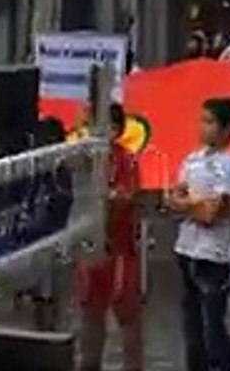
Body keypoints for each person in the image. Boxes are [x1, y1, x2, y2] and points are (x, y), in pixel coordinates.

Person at [165, 97, 230, 371]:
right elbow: (174, 200)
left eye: (210, 122)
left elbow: (212, 213)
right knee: (192, 326)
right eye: (202, 120)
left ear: (227, 129)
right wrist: (190, 205)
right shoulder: (192, 160)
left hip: (214, 254)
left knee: (213, 328)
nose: (203, 127)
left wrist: (189, 205)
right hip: (187, 248)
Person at [77, 103, 143, 371]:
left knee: (126, 313)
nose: (87, 129)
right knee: (90, 313)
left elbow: (126, 197)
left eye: (93, 123)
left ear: (114, 130)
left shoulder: (125, 159)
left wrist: (108, 197)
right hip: (90, 247)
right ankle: (88, 364)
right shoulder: (80, 159)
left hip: (119, 249)